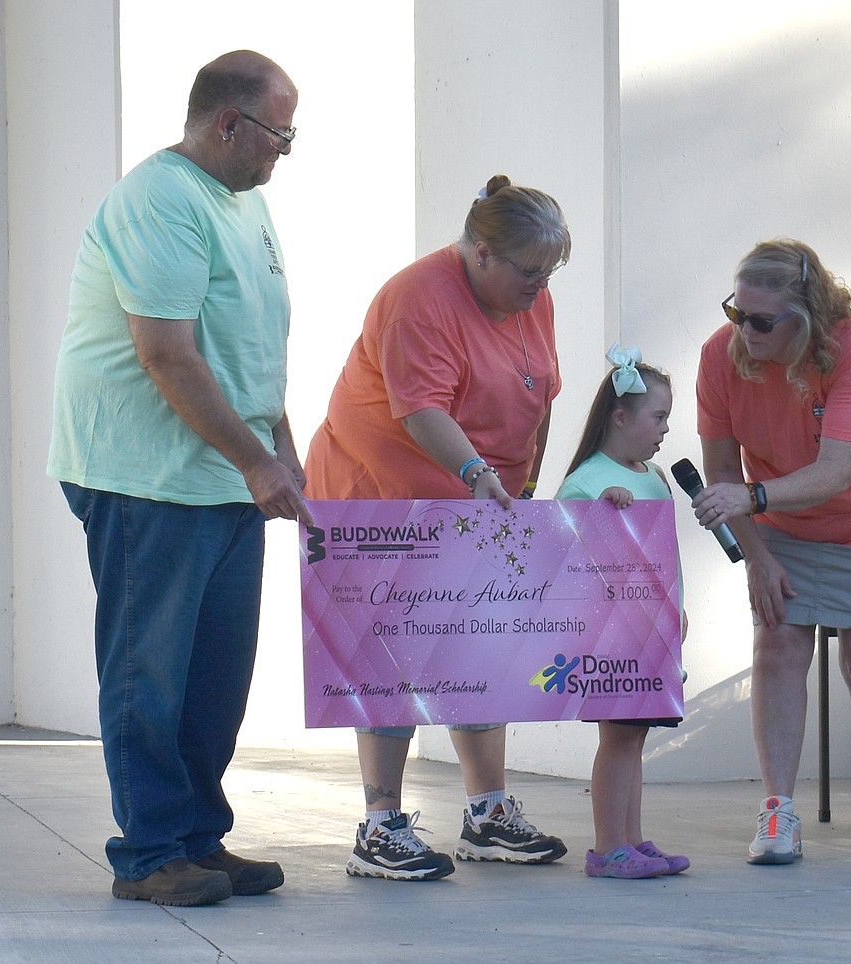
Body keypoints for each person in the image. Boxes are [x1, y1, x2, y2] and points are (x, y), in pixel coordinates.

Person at [47, 50, 312, 906]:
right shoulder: (159, 200)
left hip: (225, 477)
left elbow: (254, 348)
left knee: (215, 676)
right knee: (147, 673)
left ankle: (199, 837)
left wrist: (283, 446)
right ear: (228, 123)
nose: (285, 151)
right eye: (279, 134)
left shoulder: (247, 203)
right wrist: (255, 459)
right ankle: (151, 852)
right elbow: (165, 353)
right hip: (144, 478)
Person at [303, 174, 571, 881]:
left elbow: (538, 397)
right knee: (392, 654)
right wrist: (480, 473)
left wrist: (528, 488)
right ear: (481, 252)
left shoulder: (528, 300)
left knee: (477, 650)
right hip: (381, 499)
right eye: (529, 270)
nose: (540, 286)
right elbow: (421, 410)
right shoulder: (416, 298)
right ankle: (380, 825)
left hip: (477, 504)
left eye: (551, 272)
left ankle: (487, 815)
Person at [692, 239, 851, 863]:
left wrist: (753, 498)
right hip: (782, 522)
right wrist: (758, 560)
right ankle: (777, 814)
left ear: (806, 316)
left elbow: (836, 471)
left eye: (763, 321)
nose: (745, 330)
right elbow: (721, 478)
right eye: (737, 313)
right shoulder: (721, 355)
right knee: (777, 644)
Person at [556, 345, 691, 880]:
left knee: (635, 735)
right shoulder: (589, 481)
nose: (663, 429)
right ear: (620, 416)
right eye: (657, 417)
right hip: (612, 633)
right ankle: (608, 845)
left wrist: (680, 610)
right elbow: (565, 553)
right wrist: (598, 511)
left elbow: (664, 556)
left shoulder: (654, 475)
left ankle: (630, 838)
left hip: (653, 627)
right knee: (618, 734)